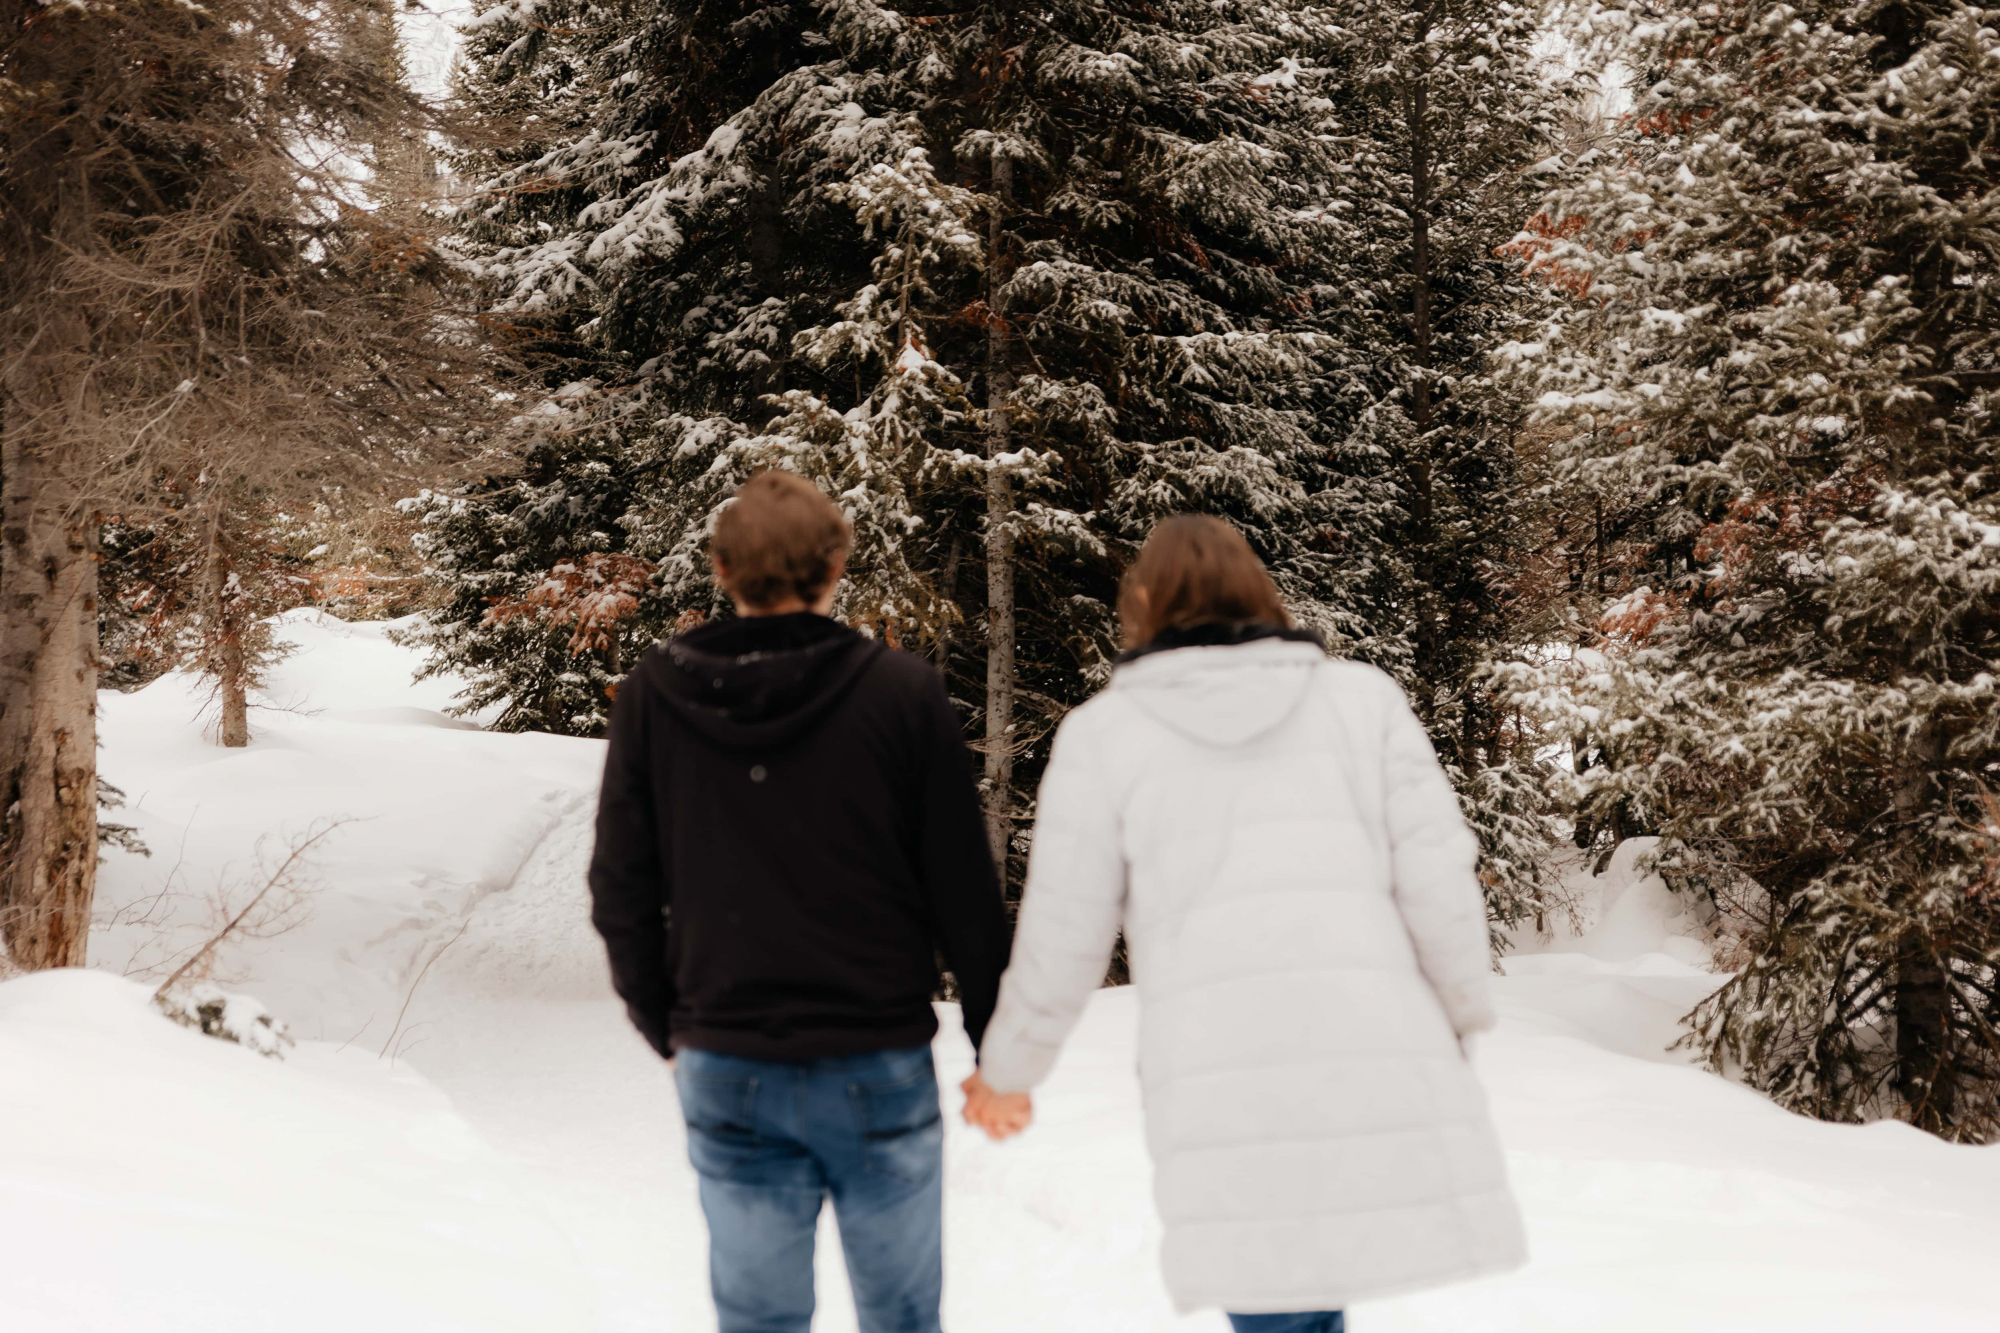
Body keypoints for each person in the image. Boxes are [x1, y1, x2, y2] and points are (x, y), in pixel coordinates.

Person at [961, 515, 1527, 1333]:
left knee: (1278, 1293)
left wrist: (1008, 1070)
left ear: (1144, 604)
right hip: (1362, 1036)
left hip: (1214, 1063)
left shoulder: (1104, 736)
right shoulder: (1361, 702)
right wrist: (1459, 1013)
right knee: (1309, 1290)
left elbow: (1063, 934)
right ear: (1260, 590)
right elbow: (1438, 874)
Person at [588, 469, 1012, 1333]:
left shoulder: (656, 692)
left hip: (727, 1054)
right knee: (902, 1319)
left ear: (720, 568)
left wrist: (663, 1019)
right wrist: (994, 1044)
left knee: (758, 1321)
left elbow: (620, 881)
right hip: (876, 1059)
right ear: (836, 566)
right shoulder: (901, 692)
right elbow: (963, 887)